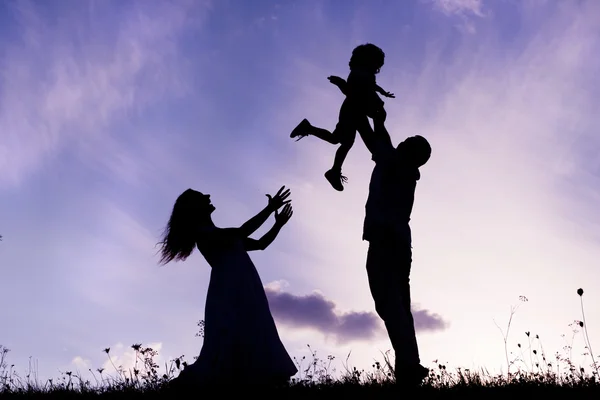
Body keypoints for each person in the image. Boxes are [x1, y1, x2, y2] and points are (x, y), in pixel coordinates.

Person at [158, 186, 298, 387]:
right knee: (233, 334)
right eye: (201, 197)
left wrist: (278, 225)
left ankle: (260, 381)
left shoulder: (219, 233)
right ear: (194, 208)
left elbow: (260, 244)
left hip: (245, 286)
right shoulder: (204, 234)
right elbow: (242, 232)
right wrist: (269, 209)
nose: (208, 196)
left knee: (255, 328)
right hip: (228, 290)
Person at [348, 92, 432, 386]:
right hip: (397, 241)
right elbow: (381, 141)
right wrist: (376, 119)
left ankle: (409, 365)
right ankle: (409, 370)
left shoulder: (396, 163)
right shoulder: (401, 166)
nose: (402, 141)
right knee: (397, 305)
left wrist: (357, 110)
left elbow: (374, 141)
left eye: (408, 143)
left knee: (388, 303)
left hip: (386, 239)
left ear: (411, 153)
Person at [289, 43, 395, 192]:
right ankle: (332, 168)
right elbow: (351, 92)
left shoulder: (367, 75)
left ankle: (333, 168)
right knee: (342, 141)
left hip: (357, 110)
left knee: (341, 140)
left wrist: (383, 93)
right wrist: (340, 84)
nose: (378, 67)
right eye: (377, 63)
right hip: (352, 110)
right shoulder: (358, 74)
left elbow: (372, 87)